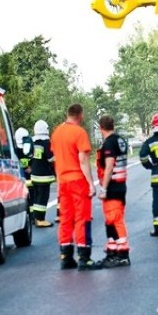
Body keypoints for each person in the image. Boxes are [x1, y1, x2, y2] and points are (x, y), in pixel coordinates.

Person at [50, 103, 102, 270]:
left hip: (63, 181)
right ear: (80, 115)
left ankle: (66, 256)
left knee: (65, 218)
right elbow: (83, 160)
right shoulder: (79, 132)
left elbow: (57, 159)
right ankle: (84, 257)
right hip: (78, 181)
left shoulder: (57, 132)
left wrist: (59, 181)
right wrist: (90, 183)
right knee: (82, 218)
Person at [96, 114, 131, 267]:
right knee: (111, 221)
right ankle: (113, 252)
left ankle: (122, 254)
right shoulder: (120, 140)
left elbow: (109, 166)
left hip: (113, 186)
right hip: (120, 185)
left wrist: (103, 188)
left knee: (115, 220)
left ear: (101, 127)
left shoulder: (109, 143)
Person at [29, 120, 55, 228]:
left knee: (36, 197)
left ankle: (34, 218)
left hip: (34, 175)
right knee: (42, 198)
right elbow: (51, 158)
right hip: (44, 176)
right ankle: (40, 219)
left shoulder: (32, 142)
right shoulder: (46, 143)